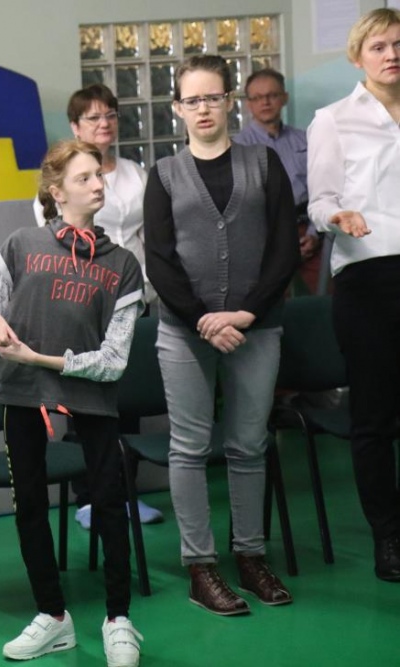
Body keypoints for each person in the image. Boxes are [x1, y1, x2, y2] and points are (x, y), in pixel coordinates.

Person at [144, 54, 299, 616]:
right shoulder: (164, 174)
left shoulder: (264, 163)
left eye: (213, 97)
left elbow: (284, 248)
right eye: (193, 100)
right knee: (188, 448)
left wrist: (246, 314)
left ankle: (251, 556)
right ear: (177, 108)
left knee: (248, 445)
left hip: (258, 327)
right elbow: (159, 260)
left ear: (229, 102)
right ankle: (200, 567)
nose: (203, 108)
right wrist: (203, 320)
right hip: (185, 332)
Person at [0, 140, 144, 667]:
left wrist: (43, 359)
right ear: (56, 191)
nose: (98, 184)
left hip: (90, 397)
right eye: (83, 178)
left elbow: (114, 361)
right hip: (21, 393)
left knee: (109, 502)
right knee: (29, 505)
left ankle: (119, 620)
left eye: (99, 175)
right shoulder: (21, 244)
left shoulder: (124, 265)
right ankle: (52, 617)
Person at [32, 83, 163, 531]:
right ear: (75, 126)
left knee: (129, 402)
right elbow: (54, 246)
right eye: (93, 117)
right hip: (84, 305)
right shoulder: (60, 184)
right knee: (85, 404)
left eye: (109, 115)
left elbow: (150, 237)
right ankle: (88, 498)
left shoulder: (135, 174)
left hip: (137, 299)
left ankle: (125, 495)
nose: (104, 123)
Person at [307, 7, 400, 582]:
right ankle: (389, 535)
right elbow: (319, 202)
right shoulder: (334, 120)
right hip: (368, 279)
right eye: (380, 46)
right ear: (358, 56)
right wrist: (337, 216)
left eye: (399, 44)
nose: (392, 54)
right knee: (375, 417)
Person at [234, 68, 323, 295]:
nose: (265, 102)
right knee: (272, 302)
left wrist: (313, 234)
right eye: (257, 97)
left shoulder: (305, 139)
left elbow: (322, 189)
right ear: (248, 104)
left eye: (272, 95)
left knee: (326, 298)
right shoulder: (238, 147)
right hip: (265, 237)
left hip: (307, 229)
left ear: (284, 98)